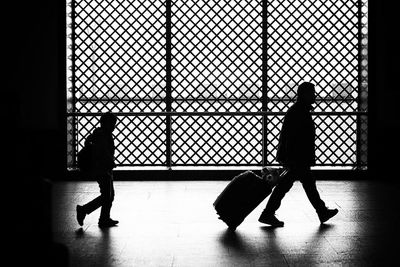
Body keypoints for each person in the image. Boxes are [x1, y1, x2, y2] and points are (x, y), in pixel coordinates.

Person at [258, 82, 338, 226]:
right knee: (302, 185)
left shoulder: (297, 110)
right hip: (297, 158)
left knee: (293, 185)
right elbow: (297, 137)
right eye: (312, 93)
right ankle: (321, 211)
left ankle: (268, 213)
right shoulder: (301, 112)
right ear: (305, 94)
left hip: (295, 157)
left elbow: (289, 137)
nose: (315, 95)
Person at [76, 112, 119, 228]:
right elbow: (104, 152)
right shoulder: (103, 136)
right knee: (107, 195)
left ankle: (103, 217)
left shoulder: (98, 134)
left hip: (101, 168)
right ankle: (86, 210)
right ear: (107, 124)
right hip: (102, 168)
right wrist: (111, 162)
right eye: (113, 124)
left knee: (108, 195)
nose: (114, 126)